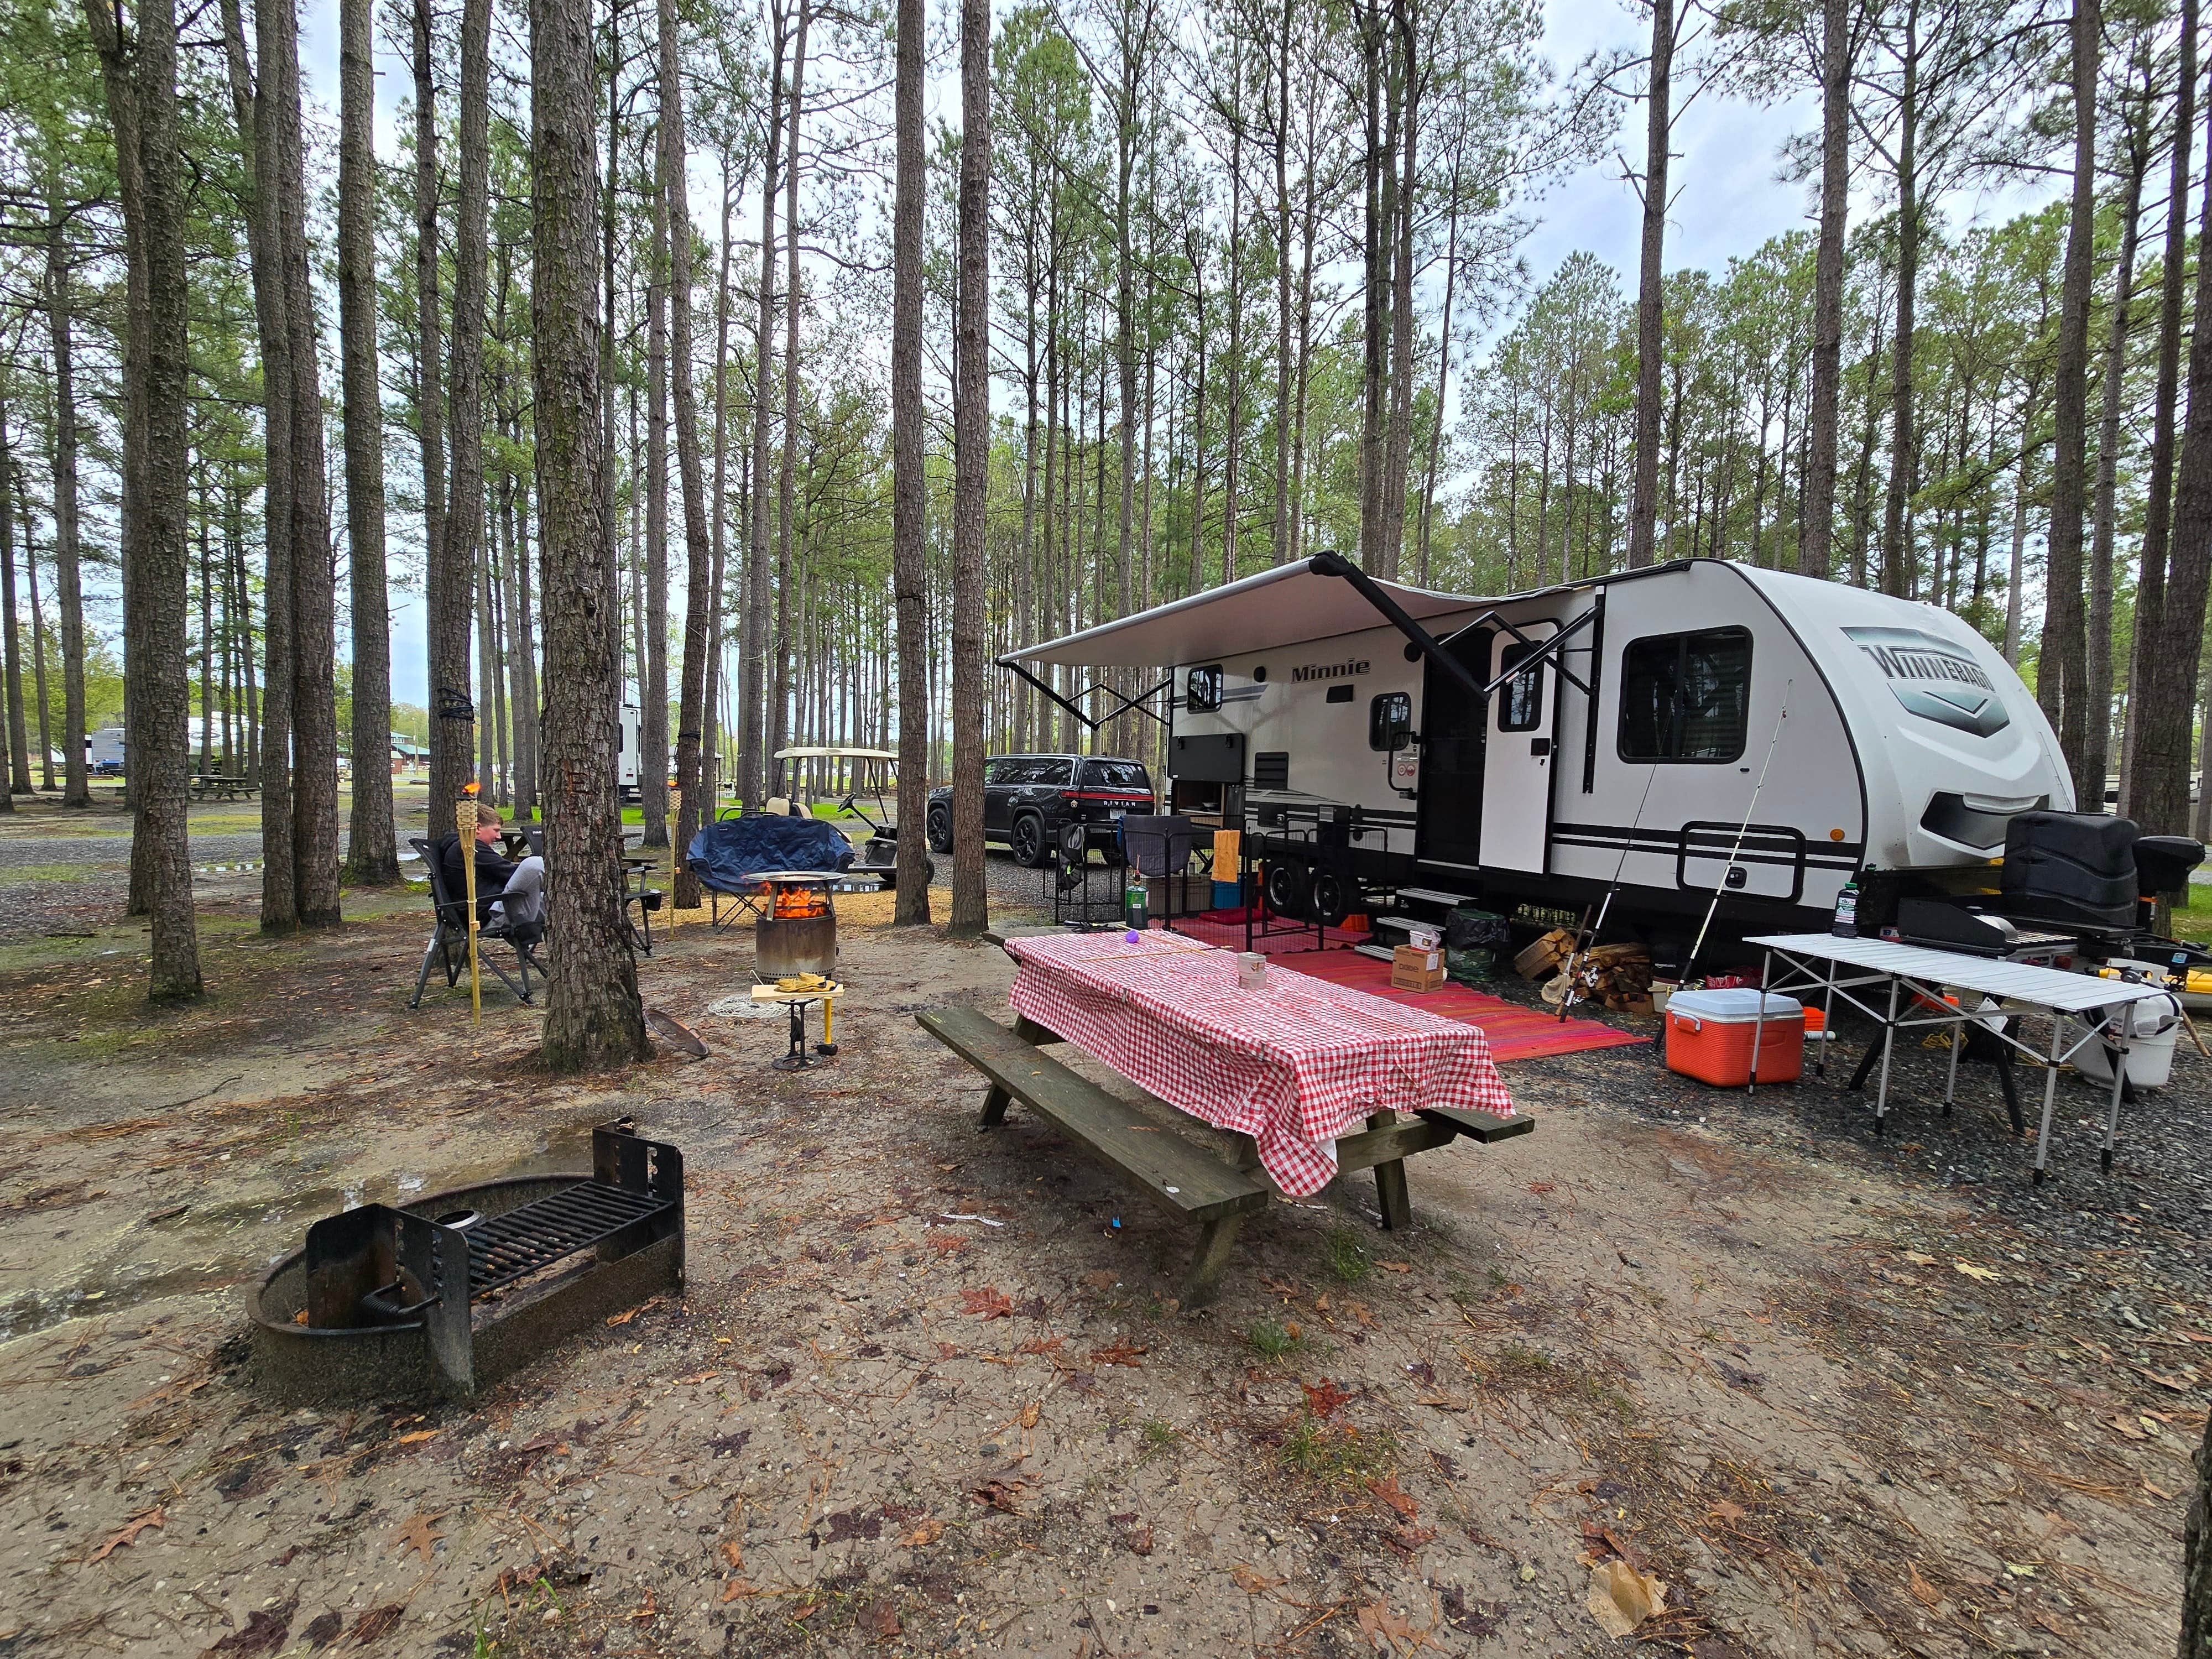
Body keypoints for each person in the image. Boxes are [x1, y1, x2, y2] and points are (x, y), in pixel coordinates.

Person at [435, 804, 545, 933]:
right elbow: (510, 873)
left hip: (493, 906)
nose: (499, 837)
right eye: (496, 830)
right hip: (489, 914)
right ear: (477, 828)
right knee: (534, 864)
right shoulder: (470, 848)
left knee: (550, 897)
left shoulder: (462, 847)